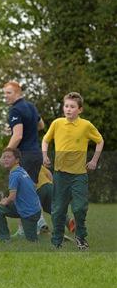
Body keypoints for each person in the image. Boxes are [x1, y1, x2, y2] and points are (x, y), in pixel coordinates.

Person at [42, 92, 103, 250]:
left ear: (80, 110)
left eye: (72, 107)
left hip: (79, 175)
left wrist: (94, 160)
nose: (68, 109)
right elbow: (46, 140)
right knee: (58, 210)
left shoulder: (86, 126)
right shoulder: (57, 123)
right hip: (60, 174)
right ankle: (57, 241)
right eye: (66, 106)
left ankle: (81, 238)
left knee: (79, 208)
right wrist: (44, 155)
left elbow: (100, 141)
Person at [0, 148, 41, 242]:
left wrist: (4, 202)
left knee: (32, 242)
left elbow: (12, 197)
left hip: (29, 213)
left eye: (9, 157)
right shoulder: (21, 170)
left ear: (17, 160)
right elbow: (33, 186)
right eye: (4, 157)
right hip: (34, 210)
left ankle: (53, 237)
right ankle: (4, 239)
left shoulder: (15, 174)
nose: (5, 159)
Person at [3, 81, 44, 183]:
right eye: (4, 93)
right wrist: (16, 129)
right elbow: (41, 125)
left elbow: (17, 136)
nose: (5, 96)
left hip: (24, 156)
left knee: (19, 193)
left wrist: (6, 154)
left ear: (17, 94)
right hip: (36, 155)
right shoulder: (31, 106)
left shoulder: (15, 110)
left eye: (9, 93)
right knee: (30, 191)